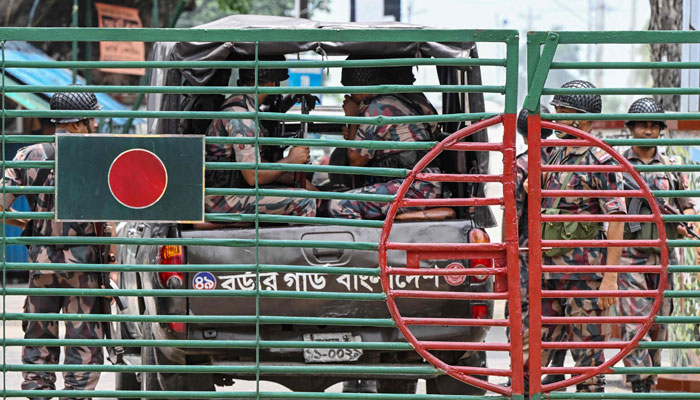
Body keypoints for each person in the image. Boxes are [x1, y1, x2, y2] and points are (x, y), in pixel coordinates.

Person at [1, 91, 114, 399]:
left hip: (41, 266)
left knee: (38, 340)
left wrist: (29, 225)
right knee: (84, 343)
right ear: (78, 124)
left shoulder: (29, 155)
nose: (95, 124)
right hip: (84, 268)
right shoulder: (99, 157)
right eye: (91, 119)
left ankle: (38, 393)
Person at [538, 79, 627, 393]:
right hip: (550, 272)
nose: (556, 118)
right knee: (544, 361)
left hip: (584, 277)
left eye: (563, 112)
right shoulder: (557, 154)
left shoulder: (599, 160)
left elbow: (616, 218)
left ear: (581, 118)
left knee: (589, 364)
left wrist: (610, 277)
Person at [617, 98, 696, 393]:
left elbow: (687, 206)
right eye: (642, 125)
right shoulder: (618, 164)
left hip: (662, 256)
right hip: (630, 253)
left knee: (658, 323)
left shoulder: (672, 167)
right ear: (631, 128)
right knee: (633, 321)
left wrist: (688, 222)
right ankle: (639, 380)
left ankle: (650, 377)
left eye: (653, 126)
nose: (648, 131)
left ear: (660, 130)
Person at [327, 59, 441, 220]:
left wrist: (352, 117)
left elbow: (356, 161)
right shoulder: (413, 99)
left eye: (351, 89)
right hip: (424, 183)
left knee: (339, 204)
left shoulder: (379, 107)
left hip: (414, 188)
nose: (350, 95)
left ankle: (370, 244)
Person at [204, 57, 317, 218]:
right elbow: (253, 176)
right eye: (277, 83)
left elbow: (253, 162)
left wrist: (295, 179)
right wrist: (291, 161)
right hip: (222, 201)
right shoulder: (243, 117)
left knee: (300, 191)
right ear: (271, 84)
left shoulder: (242, 105)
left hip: (227, 194)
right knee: (305, 201)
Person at [509, 106, 570, 388]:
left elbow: (515, 216)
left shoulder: (521, 164)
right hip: (563, 250)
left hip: (527, 251)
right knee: (560, 308)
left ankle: (522, 376)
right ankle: (555, 368)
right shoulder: (563, 160)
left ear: (522, 133)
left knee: (525, 311)